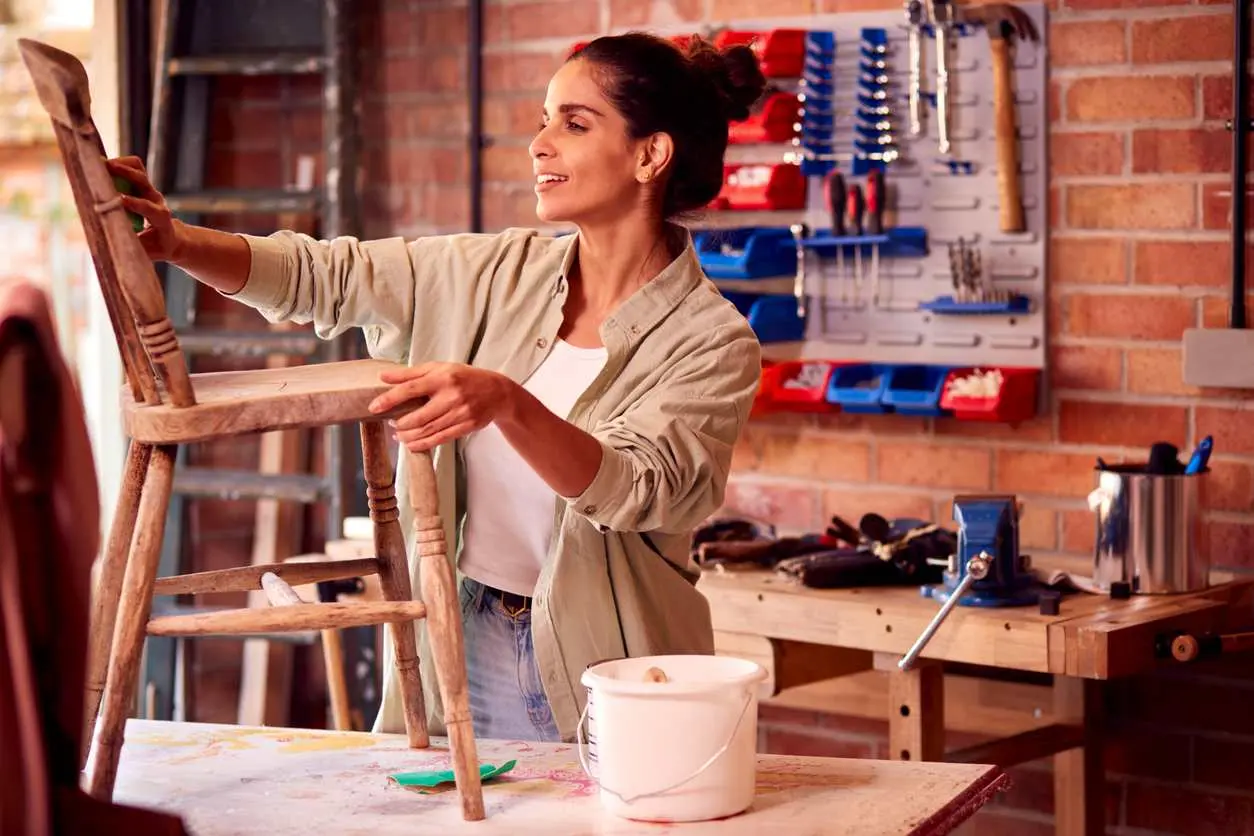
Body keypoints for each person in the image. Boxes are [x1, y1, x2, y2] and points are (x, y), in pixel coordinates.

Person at [106, 31, 767, 743]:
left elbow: (642, 488)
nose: (540, 144)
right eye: (543, 120)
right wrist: (175, 242)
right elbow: (327, 277)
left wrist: (508, 401)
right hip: (465, 632)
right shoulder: (493, 274)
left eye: (574, 123)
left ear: (650, 155)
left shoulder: (711, 341)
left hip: (617, 671)